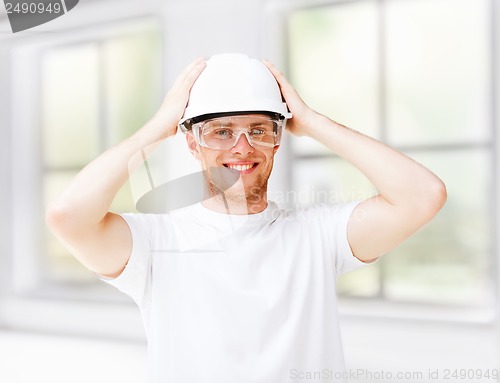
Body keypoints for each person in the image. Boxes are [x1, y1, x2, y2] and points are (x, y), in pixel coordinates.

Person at [46, 53, 447, 383]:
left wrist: (313, 122)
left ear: (279, 139)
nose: (243, 147)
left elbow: (422, 196)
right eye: (221, 131)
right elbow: (69, 217)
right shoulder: (157, 241)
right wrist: (154, 129)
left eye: (259, 130)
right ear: (192, 142)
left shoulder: (318, 235)